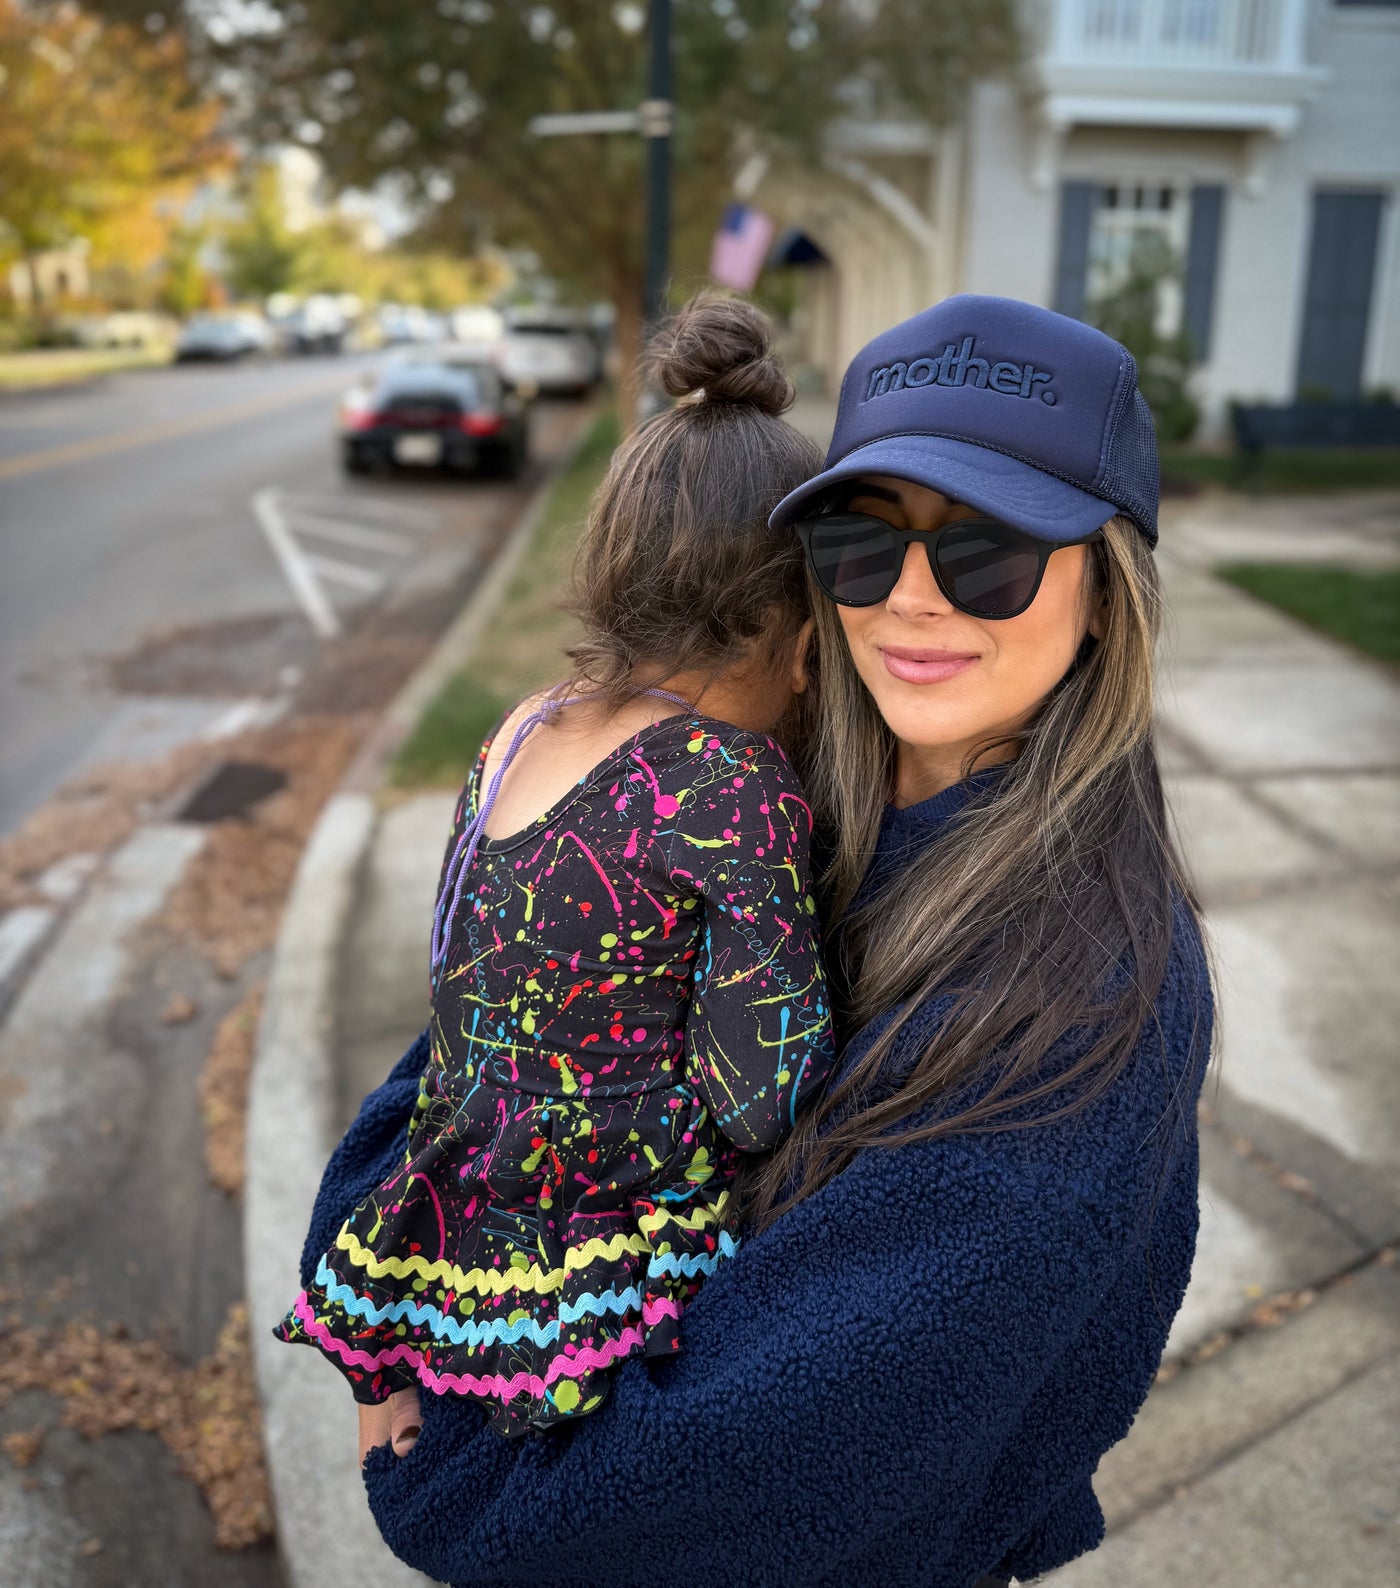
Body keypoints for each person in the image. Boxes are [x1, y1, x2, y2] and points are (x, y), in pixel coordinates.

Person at [292, 294, 1214, 1587]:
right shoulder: (782, 794)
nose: (909, 600)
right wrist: (374, 1285)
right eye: (859, 539)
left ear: (1107, 591)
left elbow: (745, 1473)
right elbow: (500, 1027)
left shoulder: (1081, 1007)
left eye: (989, 551)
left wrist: (440, 1452)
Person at [271, 293, 835, 1446]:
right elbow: (759, 1097)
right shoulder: (729, 789)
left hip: (448, 1236)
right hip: (595, 1268)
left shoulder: (522, 727)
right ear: (798, 632)